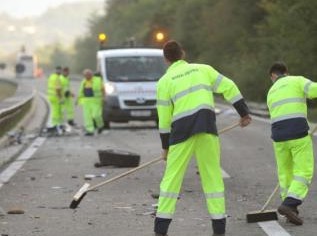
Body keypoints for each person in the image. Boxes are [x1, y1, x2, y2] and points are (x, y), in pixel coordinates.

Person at [154, 40, 251, 236]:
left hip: (181, 133)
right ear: (183, 53)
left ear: (166, 60)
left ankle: (160, 230)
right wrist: (244, 113)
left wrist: (166, 147)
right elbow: (229, 87)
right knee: (212, 177)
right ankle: (219, 229)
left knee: (171, 180)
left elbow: (164, 120)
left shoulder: (164, 82)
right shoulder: (203, 69)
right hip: (206, 128)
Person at [267, 61, 316, 225]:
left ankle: (290, 209)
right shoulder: (297, 80)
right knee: (303, 170)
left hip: (278, 136)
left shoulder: (271, 91)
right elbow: (314, 90)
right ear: (286, 72)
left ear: (273, 76)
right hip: (297, 132)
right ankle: (289, 204)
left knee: (285, 172)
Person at [77, 69, 105, 136]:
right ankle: (90, 130)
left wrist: (104, 97)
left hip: (96, 101)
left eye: (88, 75)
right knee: (87, 117)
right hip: (86, 101)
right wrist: (78, 100)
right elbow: (81, 92)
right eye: (85, 75)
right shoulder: (83, 82)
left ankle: (100, 126)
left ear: (91, 74)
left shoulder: (98, 80)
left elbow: (103, 89)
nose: (87, 76)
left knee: (96, 115)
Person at [47, 66, 63, 135]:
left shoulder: (51, 76)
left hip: (50, 96)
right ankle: (55, 126)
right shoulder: (57, 78)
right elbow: (58, 89)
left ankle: (53, 124)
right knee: (56, 111)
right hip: (56, 97)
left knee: (54, 111)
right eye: (60, 71)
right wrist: (60, 98)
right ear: (59, 71)